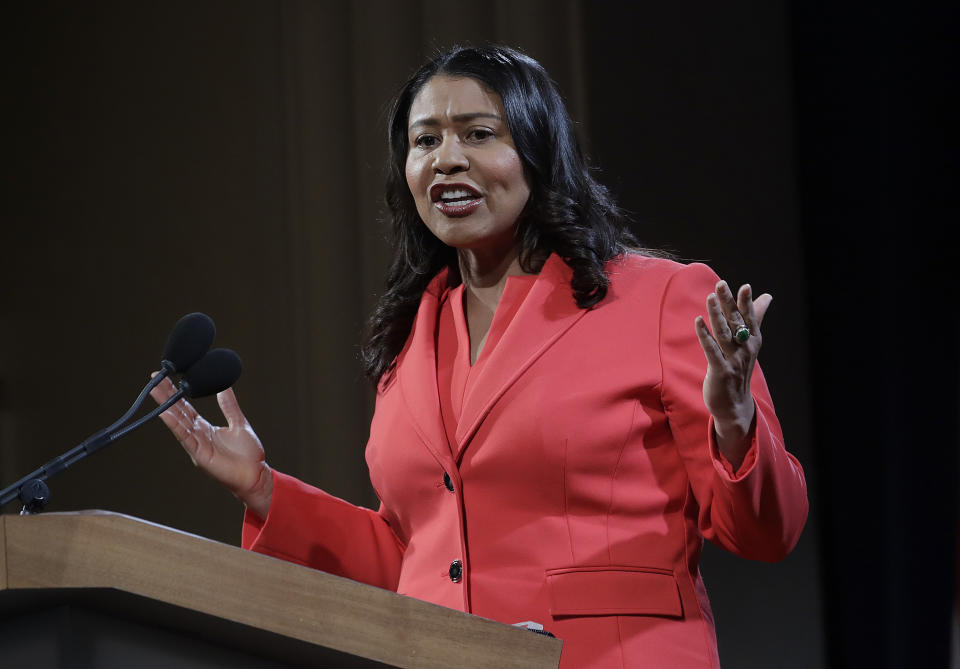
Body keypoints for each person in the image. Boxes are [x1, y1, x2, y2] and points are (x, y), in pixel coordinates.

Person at [151, 45, 808, 668]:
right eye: (425, 140)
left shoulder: (660, 298)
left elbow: (766, 533)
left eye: (477, 133)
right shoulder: (409, 335)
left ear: (537, 149)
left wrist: (735, 421)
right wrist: (264, 491)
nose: (446, 159)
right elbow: (421, 558)